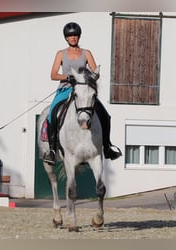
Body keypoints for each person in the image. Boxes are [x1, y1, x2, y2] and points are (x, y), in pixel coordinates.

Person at [43, 22, 122, 165]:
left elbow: (95, 72)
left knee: (104, 114)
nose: (73, 38)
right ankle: (52, 150)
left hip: (83, 89)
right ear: (66, 38)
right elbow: (53, 74)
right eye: (70, 36)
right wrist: (67, 77)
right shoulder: (61, 54)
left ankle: (107, 146)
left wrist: (87, 78)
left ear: (79, 37)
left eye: (75, 35)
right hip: (66, 88)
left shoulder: (86, 53)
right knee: (52, 113)